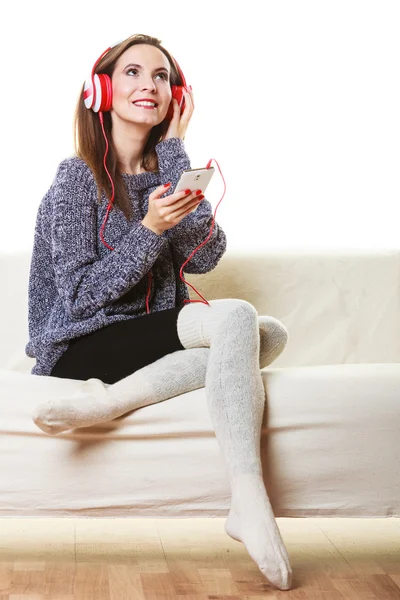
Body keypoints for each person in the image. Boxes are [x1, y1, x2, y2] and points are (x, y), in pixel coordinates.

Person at [27, 33, 293, 590]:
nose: (149, 85)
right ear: (101, 88)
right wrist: (149, 230)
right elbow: (78, 296)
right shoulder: (76, 178)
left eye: (162, 77)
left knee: (266, 332)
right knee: (238, 318)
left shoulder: (165, 171)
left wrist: (175, 152)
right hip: (78, 343)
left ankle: (111, 403)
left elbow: (207, 254)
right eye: (132, 73)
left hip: (142, 347)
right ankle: (247, 495)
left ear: (177, 95)